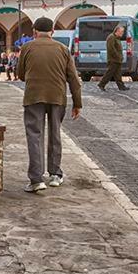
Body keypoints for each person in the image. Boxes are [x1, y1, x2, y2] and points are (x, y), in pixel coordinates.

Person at [17, 16, 82, 193]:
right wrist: (77, 103)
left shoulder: (27, 48)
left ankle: (36, 179)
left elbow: (20, 74)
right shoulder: (63, 49)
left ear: (34, 31)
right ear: (52, 31)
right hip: (57, 97)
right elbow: (73, 79)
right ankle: (55, 174)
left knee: (34, 135)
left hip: (33, 97)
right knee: (55, 134)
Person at [98, 24, 129, 92]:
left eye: (123, 32)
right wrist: (118, 56)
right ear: (117, 31)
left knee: (118, 74)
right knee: (109, 73)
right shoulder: (111, 37)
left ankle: (121, 86)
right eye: (121, 32)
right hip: (113, 60)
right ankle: (101, 84)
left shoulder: (117, 38)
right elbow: (111, 49)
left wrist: (120, 57)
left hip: (117, 60)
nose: (122, 33)